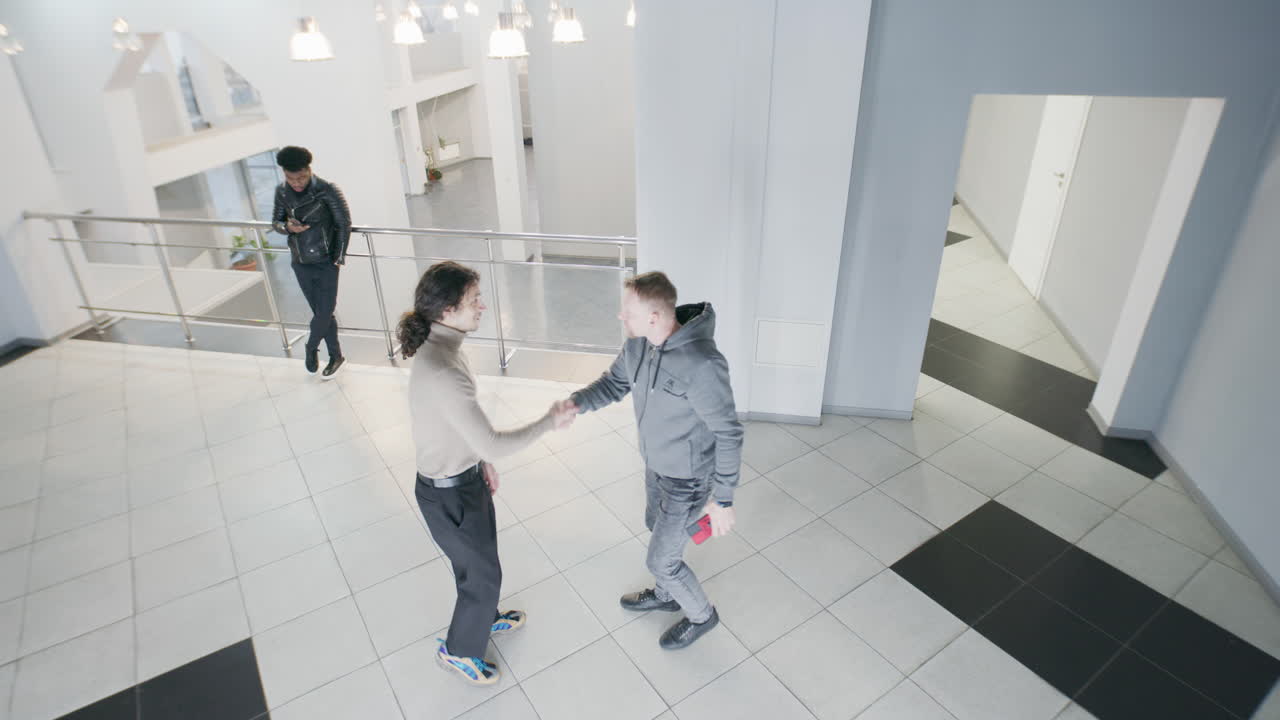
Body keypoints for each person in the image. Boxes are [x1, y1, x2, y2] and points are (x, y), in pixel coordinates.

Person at [400, 261, 576, 685]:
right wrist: (549, 421)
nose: (482, 305)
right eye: (473, 300)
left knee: (481, 564)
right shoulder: (441, 368)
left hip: (464, 481)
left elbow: (458, 430)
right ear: (446, 310)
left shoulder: (446, 348)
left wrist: (480, 463)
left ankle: (484, 619)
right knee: (480, 574)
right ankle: (459, 651)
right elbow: (493, 440)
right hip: (448, 496)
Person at [566, 271, 743, 650]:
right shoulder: (637, 347)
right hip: (656, 466)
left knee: (662, 560)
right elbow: (613, 384)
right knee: (653, 524)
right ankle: (666, 595)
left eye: (626, 310)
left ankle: (701, 616)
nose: (620, 316)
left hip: (690, 479)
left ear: (654, 316)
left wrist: (723, 499)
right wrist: (575, 403)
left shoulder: (702, 363)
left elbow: (729, 432)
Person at [270, 145, 352, 378]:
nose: (296, 183)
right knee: (320, 312)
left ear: (309, 170)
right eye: (290, 178)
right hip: (300, 261)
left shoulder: (326, 190)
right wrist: (287, 227)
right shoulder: (281, 192)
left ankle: (310, 347)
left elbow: (343, 224)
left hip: (326, 261)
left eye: (301, 177)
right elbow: (275, 222)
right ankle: (336, 356)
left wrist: (338, 258)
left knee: (325, 311)